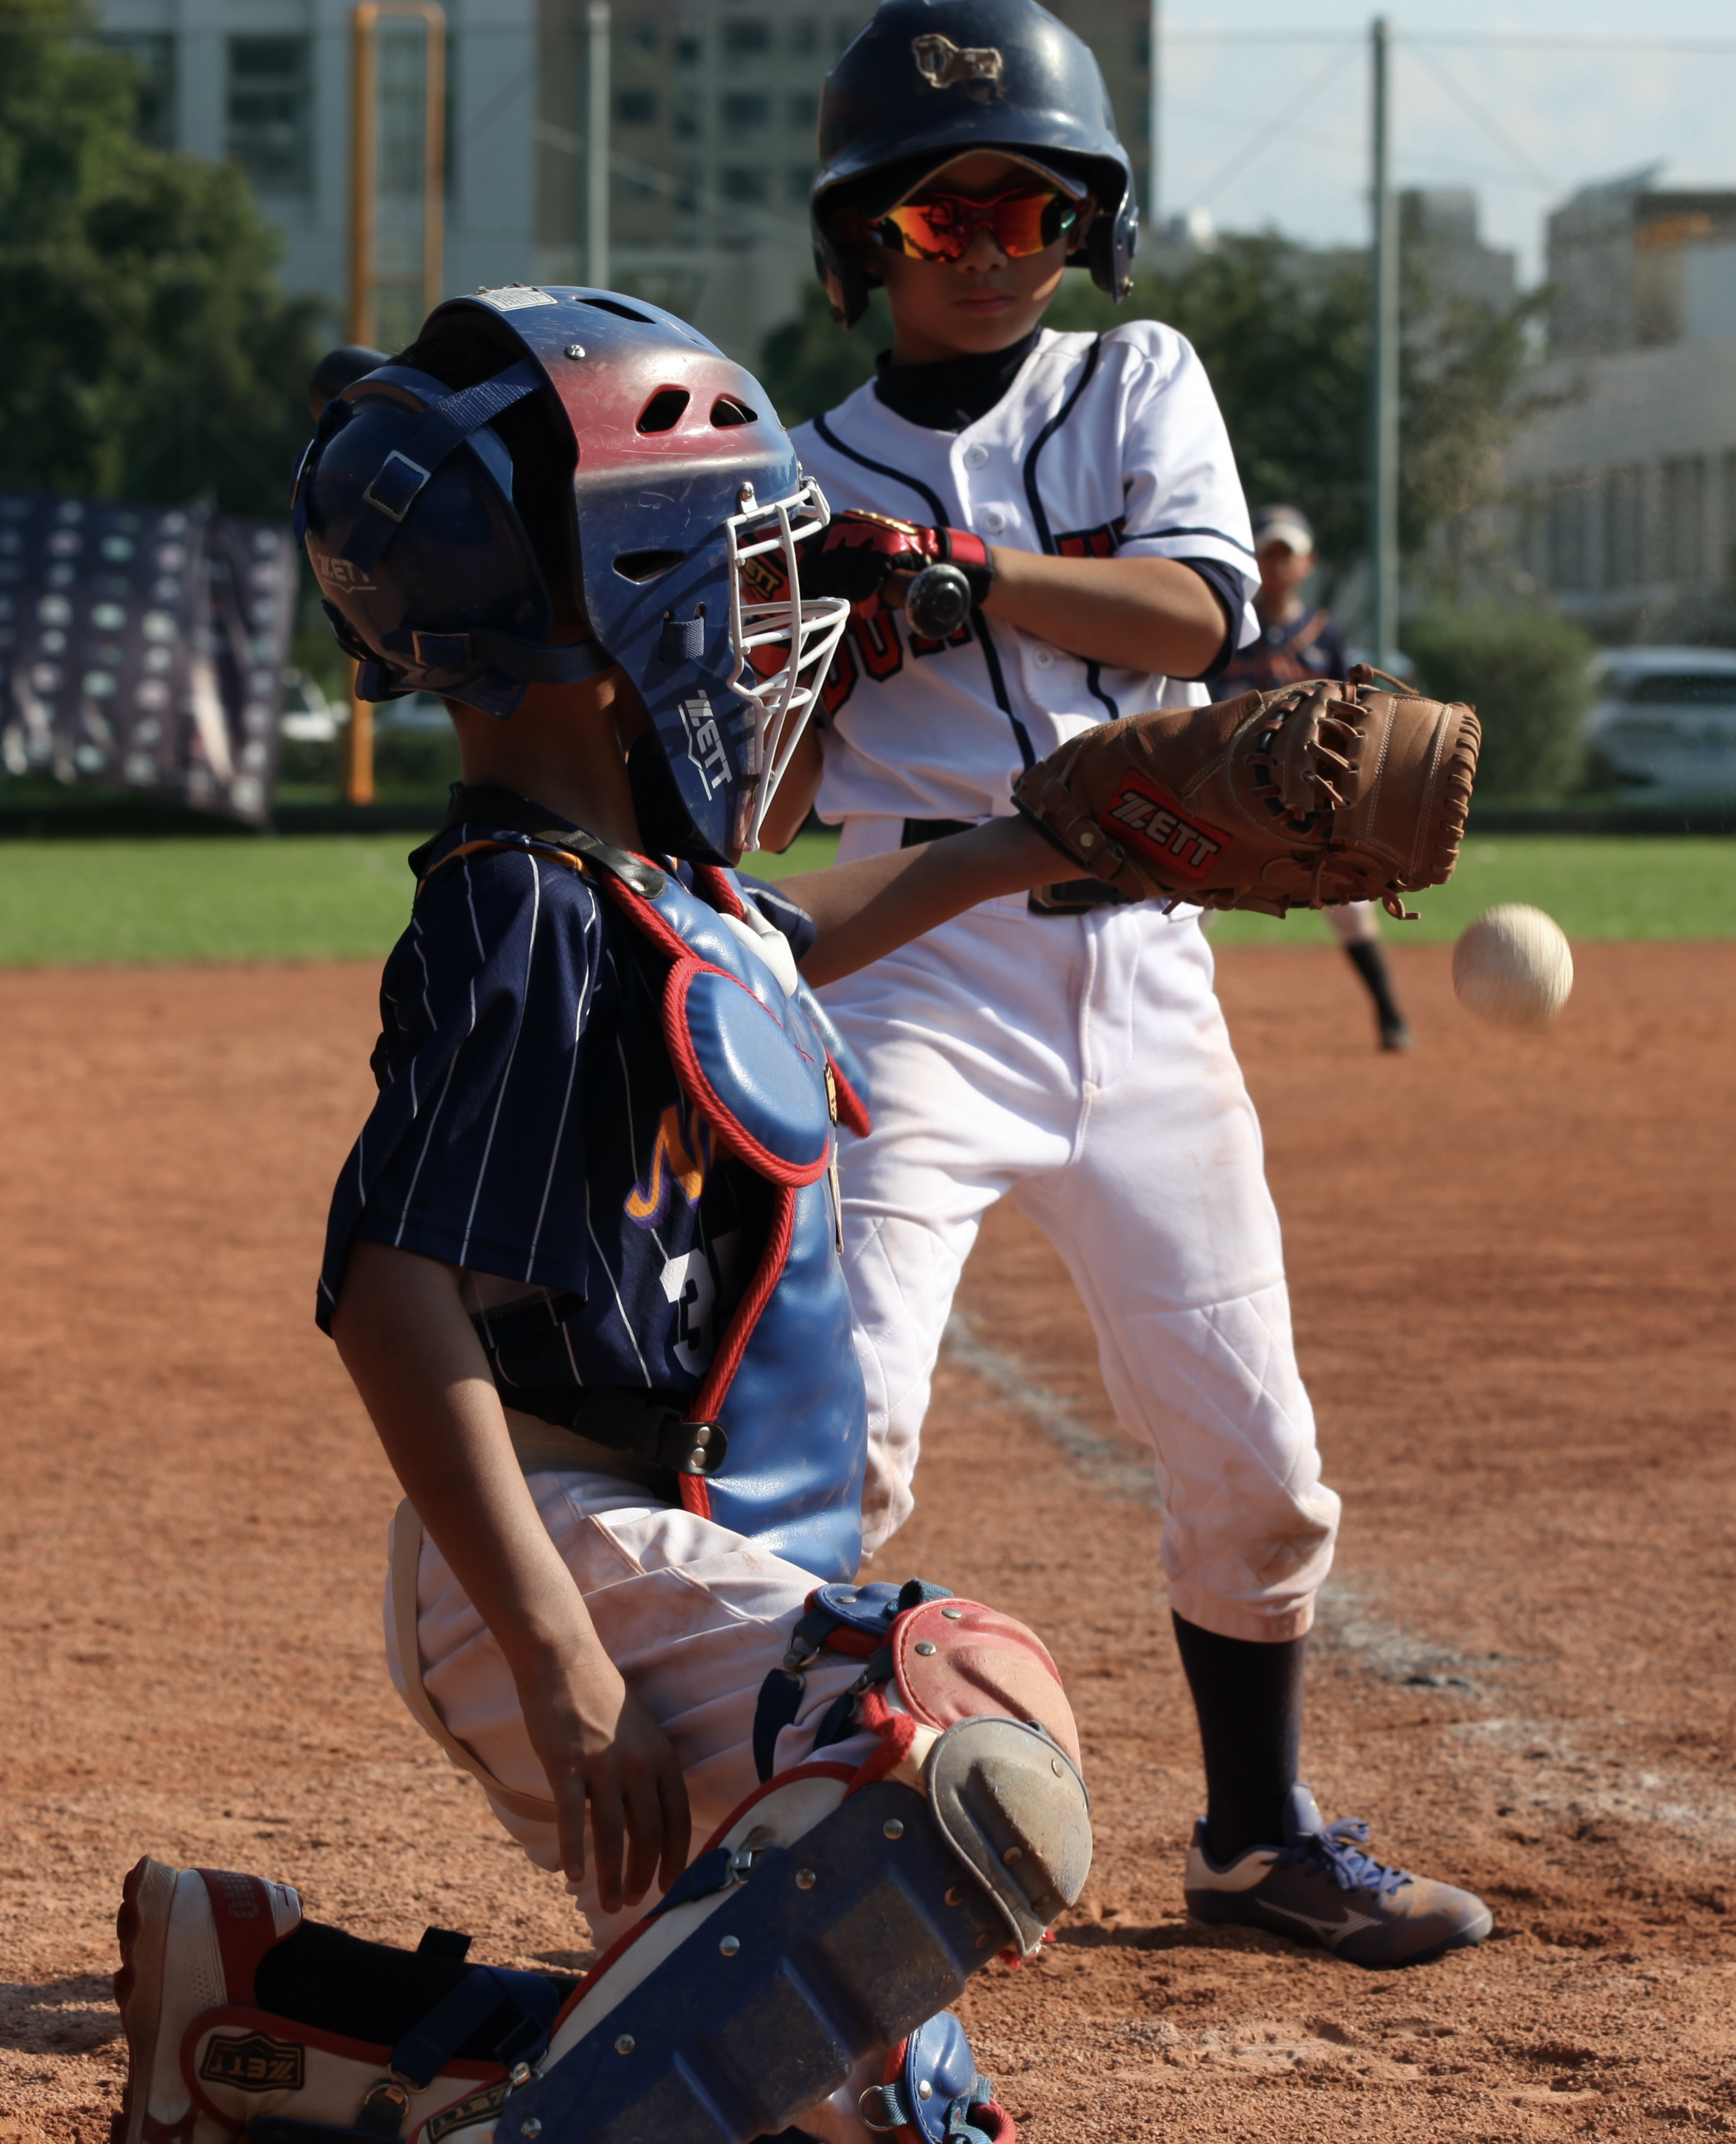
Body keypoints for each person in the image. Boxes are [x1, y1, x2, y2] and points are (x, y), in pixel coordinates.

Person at [105, 288, 1105, 2144]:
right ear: (607, 623)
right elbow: (388, 1288)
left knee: (849, 2091)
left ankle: (270, 2020)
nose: (764, 619)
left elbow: (782, 943)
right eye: (729, 572)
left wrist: (1043, 839)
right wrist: (560, 1656)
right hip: (568, 1560)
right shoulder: (518, 906)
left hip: (654, 1558)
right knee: (958, 1717)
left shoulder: (644, 882)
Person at [772, 0, 1489, 1969]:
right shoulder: (791, 474)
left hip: (1146, 969)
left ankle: (1256, 1841)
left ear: (1085, 225)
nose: (989, 249)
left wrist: (968, 582)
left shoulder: (1133, 379)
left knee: (1255, 1457)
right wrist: (827, 627)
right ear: (861, 245)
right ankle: (753, 1861)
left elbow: (1198, 609)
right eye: (939, 215)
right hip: (910, 982)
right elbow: (774, 801)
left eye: (1028, 208)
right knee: (850, 1442)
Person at [1210, 503, 1412, 1052]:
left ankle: (1391, 1015)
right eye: (1268, 553)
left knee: (1350, 910)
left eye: (1288, 554)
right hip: (1236, 798)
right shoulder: (1228, 632)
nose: (1277, 565)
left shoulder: (1324, 634)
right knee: (1194, 910)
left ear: (1308, 563)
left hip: (1314, 800)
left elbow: (1359, 717)